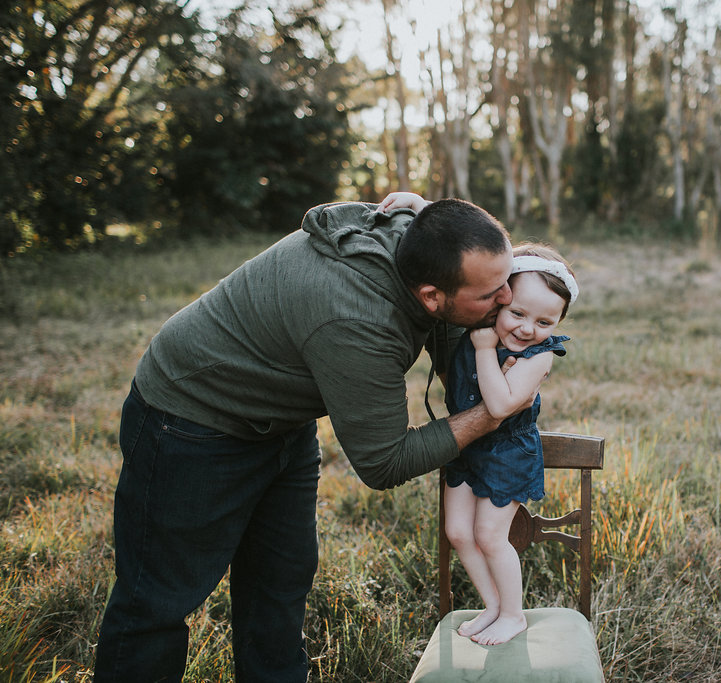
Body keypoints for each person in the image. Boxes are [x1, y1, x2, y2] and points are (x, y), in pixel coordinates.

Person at [93, 192, 533, 682]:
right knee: (156, 601)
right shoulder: (355, 319)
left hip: (279, 421)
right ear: (431, 296)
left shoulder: (417, 230)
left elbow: (452, 251)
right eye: (492, 294)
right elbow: (384, 461)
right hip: (190, 421)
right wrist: (491, 415)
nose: (508, 299)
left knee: (279, 585)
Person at [442, 243, 578, 646]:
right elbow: (463, 248)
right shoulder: (475, 325)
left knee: (488, 535)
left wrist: (485, 350)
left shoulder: (539, 356)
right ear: (498, 301)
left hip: (506, 453)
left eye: (544, 321)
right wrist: (420, 208)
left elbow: (499, 405)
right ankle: (493, 606)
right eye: (517, 313)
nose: (526, 329)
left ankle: (513, 615)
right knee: (458, 532)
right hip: (467, 447)